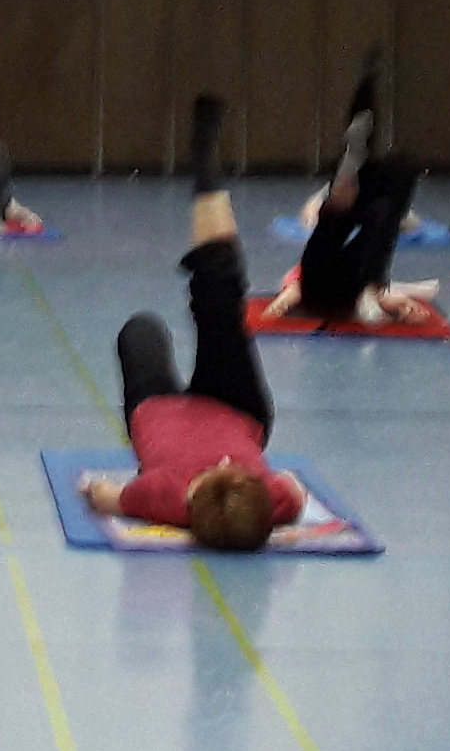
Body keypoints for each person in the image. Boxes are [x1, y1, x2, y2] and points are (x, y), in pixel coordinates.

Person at [78, 98, 305, 553]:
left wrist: (93, 490)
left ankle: (205, 178)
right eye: (232, 469)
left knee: (141, 329)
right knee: (220, 290)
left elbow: (104, 497)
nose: (220, 462)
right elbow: (293, 488)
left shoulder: (159, 496)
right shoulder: (276, 500)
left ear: (190, 500)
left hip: (158, 408)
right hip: (234, 405)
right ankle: (205, 163)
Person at [273, 56, 440, 327]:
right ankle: (370, 287)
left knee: (353, 213)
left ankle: (353, 165)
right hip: (333, 286)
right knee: (380, 207)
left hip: (326, 282)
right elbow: (291, 286)